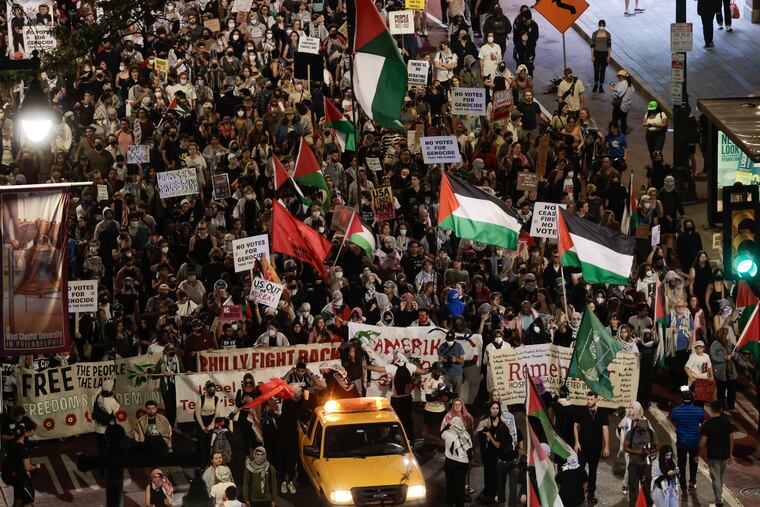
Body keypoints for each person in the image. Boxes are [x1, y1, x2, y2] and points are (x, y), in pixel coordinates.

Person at [475, 401, 521, 505]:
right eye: (493, 408)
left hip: (501, 453)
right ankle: (489, 494)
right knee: (489, 473)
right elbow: (482, 436)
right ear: (490, 409)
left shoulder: (503, 421)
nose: (495, 410)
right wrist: (491, 428)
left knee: (498, 476)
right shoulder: (485, 420)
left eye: (497, 408)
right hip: (489, 452)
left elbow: (507, 438)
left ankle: (497, 496)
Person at [573, 392, 610, 505]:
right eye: (588, 399)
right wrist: (576, 442)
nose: (589, 401)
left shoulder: (602, 413)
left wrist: (607, 446)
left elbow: (605, 430)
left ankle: (590, 495)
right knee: (579, 470)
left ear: (596, 399)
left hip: (596, 448)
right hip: (583, 447)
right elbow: (575, 426)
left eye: (591, 399)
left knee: (593, 472)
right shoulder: (582, 411)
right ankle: (578, 493)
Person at [669, 387, 704, 495]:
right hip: (694, 442)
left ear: (682, 399)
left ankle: (683, 486)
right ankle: (692, 482)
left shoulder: (676, 410)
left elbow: (673, 419)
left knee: (681, 464)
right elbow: (701, 421)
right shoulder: (699, 411)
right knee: (694, 463)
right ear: (693, 399)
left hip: (682, 443)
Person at [700, 400, 733, 507]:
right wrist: (730, 454)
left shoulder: (708, 424)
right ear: (722, 410)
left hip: (714, 455)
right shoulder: (727, 422)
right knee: (721, 477)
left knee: (715, 478)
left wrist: (698, 454)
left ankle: (718, 501)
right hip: (725, 454)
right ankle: (720, 496)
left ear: (711, 409)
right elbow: (731, 439)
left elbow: (703, 443)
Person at [623, 415, 658, 507]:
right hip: (634, 464)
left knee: (646, 489)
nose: (643, 432)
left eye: (645, 430)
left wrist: (649, 451)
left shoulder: (651, 433)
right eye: (642, 430)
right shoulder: (631, 433)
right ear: (637, 426)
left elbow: (657, 446)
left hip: (646, 465)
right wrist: (638, 452)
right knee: (633, 489)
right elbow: (625, 448)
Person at [6, 423, 40, 507]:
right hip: (23, 480)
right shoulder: (22, 449)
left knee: (18, 501)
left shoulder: (11, 447)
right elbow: (27, 467)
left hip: (15, 479)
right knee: (28, 503)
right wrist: (36, 466)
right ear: (24, 433)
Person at [442, 416, 472, 507]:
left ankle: (450, 501)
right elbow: (470, 450)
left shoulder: (447, 433)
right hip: (463, 463)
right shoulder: (466, 434)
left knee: (450, 483)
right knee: (460, 485)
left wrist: (447, 425)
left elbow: (441, 434)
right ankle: (460, 504)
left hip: (450, 462)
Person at [195, 380, 222, 460]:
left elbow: (217, 414)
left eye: (214, 390)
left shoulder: (216, 399)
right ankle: (200, 460)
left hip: (211, 420)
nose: (212, 391)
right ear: (206, 390)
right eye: (210, 390)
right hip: (201, 420)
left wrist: (210, 426)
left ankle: (208, 459)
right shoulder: (201, 398)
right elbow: (197, 414)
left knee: (209, 442)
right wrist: (203, 427)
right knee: (201, 442)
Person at [94, 379, 120, 457]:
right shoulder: (111, 401)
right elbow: (117, 409)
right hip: (108, 430)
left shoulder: (98, 396)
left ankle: (102, 466)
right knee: (111, 450)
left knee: (101, 449)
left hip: (98, 428)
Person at [610, 70, 634, 135]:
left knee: (615, 120)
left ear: (621, 76)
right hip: (626, 107)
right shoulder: (631, 85)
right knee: (623, 121)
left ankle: (613, 133)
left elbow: (616, 94)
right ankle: (623, 134)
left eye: (619, 76)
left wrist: (612, 89)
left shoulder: (620, 84)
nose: (618, 78)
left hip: (619, 106)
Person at [590, 20, 611, 93]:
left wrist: (609, 56)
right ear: (598, 26)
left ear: (605, 26)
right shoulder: (594, 34)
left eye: (603, 25)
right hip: (597, 54)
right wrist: (592, 55)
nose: (602, 27)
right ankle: (596, 84)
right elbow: (592, 46)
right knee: (596, 70)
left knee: (603, 70)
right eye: (600, 25)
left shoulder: (608, 34)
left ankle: (601, 85)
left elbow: (609, 46)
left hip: (604, 54)